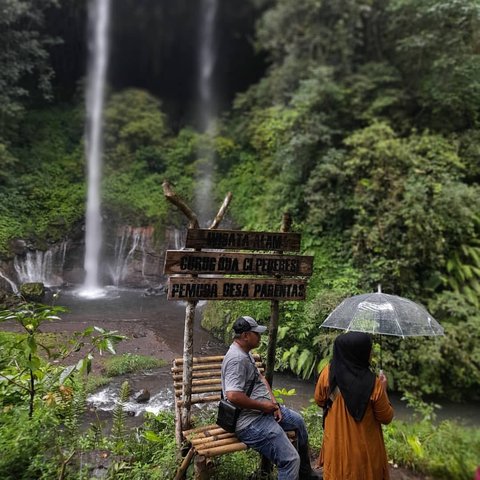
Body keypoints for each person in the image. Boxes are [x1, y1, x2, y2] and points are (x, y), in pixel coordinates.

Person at [221, 315, 321, 480]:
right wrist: (264, 407)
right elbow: (232, 395)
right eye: (256, 333)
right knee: (290, 460)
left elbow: (260, 378)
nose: (260, 336)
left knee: (298, 423)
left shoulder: (245, 353)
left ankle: (305, 475)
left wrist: (273, 402)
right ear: (246, 335)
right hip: (249, 422)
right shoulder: (237, 359)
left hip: (264, 411)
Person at [314, 331, 394, 480]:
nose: (371, 353)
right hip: (364, 453)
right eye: (369, 349)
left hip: (335, 447)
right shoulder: (374, 383)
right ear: (360, 353)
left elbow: (319, 400)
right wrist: (384, 390)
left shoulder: (328, 373)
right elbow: (386, 417)